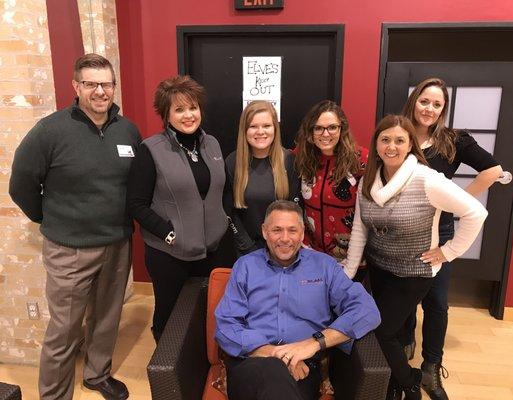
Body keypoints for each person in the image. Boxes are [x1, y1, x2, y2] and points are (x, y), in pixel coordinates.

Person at [9, 54, 141, 400]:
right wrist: (52, 219)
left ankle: (97, 375)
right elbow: (20, 186)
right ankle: (54, 395)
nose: (100, 91)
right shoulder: (49, 131)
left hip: (117, 242)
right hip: (70, 249)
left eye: (106, 84)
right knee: (64, 330)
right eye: (91, 84)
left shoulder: (127, 130)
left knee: (107, 317)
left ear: (114, 86)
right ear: (76, 87)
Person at [345, 115, 487, 400]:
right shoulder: (369, 180)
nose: (392, 146)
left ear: (411, 144)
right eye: (385, 139)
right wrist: (348, 272)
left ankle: (410, 382)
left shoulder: (427, 179)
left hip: (413, 273)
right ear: (376, 144)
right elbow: (360, 229)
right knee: (393, 332)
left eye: (400, 140)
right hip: (379, 267)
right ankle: (394, 382)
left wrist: (448, 252)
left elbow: (476, 213)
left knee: (382, 329)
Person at [215, 200, 381, 400]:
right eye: (277, 230)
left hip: (303, 370)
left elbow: (367, 310)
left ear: (302, 233)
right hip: (250, 365)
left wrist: (314, 343)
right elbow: (226, 325)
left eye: (292, 230)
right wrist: (278, 355)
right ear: (265, 231)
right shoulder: (245, 267)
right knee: (272, 372)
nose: (285, 238)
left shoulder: (324, 266)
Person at [400, 77, 503, 400]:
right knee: (401, 296)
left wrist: (460, 201)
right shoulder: (398, 133)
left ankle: (431, 367)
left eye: (437, 104)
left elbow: (493, 170)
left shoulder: (453, 140)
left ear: (443, 109)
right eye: (424, 101)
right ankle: (404, 350)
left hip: (437, 233)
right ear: (414, 101)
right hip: (401, 231)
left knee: (436, 303)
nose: (429, 109)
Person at [126, 75, 227, 343]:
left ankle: (198, 366)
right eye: (179, 109)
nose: (188, 115)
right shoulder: (151, 150)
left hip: (213, 250)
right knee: (170, 317)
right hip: (170, 254)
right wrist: (169, 233)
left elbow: (219, 192)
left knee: (208, 312)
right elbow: (136, 204)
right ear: (166, 114)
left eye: (192, 107)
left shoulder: (213, 144)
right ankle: (168, 374)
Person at [294, 100, 368, 280]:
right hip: (311, 253)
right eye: (318, 128)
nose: (325, 134)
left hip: (349, 258)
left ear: (342, 129)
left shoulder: (361, 160)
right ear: (310, 132)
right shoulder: (302, 158)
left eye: (332, 127)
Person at [225, 100, 300, 255]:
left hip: (283, 248)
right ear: (244, 130)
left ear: (275, 128)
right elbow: (229, 211)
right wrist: (246, 246)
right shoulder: (233, 162)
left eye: (266, 126)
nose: (260, 132)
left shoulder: (289, 161)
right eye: (253, 126)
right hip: (246, 249)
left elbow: (295, 210)